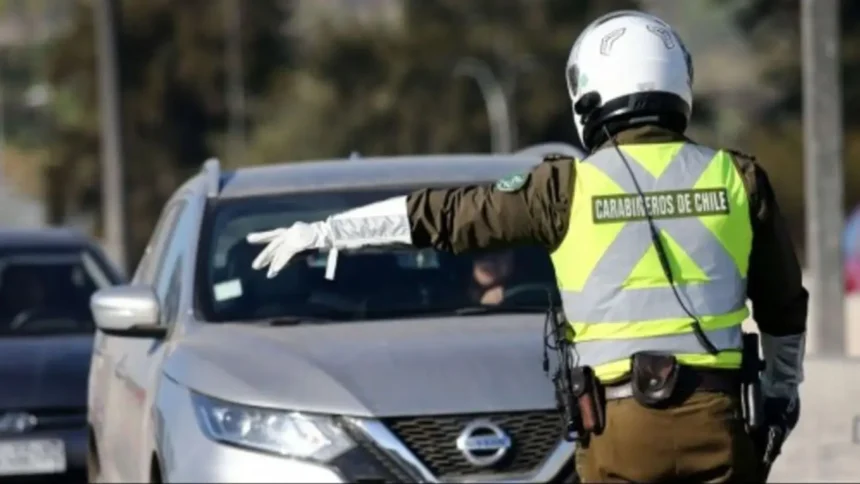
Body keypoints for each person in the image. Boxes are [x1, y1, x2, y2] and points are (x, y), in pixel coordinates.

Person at [245, 10, 807, 483]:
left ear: (590, 94)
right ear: (677, 83)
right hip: (720, 423)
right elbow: (784, 308)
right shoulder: (740, 179)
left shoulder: (563, 188)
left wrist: (327, 231)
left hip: (617, 431)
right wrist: (781, 398)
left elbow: (445, 217)